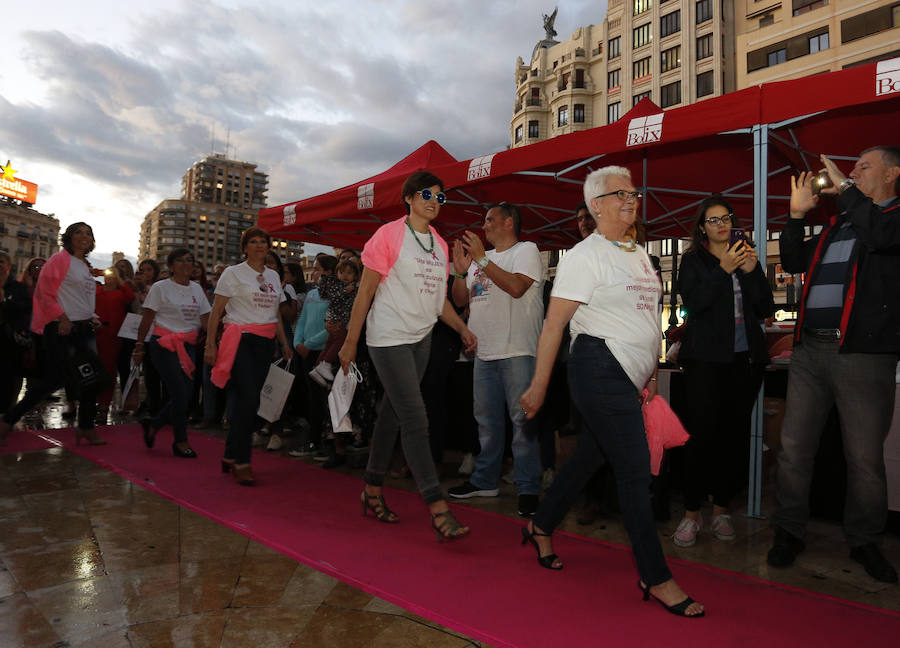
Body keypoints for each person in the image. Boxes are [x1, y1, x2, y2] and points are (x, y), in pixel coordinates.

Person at [519, 166, 704, 618]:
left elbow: (643, 318)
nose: (632, 199)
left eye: (634, 192)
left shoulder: (639, 254)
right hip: (597, 368)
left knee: (589, 459)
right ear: (596, 205)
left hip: (629, 374)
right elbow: (554, 324)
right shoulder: (586, 255)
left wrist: (650, 372)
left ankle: (541, 524)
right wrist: (539, 385)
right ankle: (655, 576)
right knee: (635, 472)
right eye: (620, 194)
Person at [767, 148, 900, 584]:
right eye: (854, 167)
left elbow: (879, 237)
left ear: (893, 174)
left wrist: (844, 190)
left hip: (862, 354)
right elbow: (791, 262)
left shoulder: (888, 217)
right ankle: (788, 532)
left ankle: (864, 540)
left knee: (863, 458)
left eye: (864, 166)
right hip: (809, 352)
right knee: (793, 449)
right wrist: (793, 217)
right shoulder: (839, 222)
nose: (853, 172)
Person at [339, 170, 477, 541]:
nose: (434, 202)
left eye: (440, 197)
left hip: (422, 338)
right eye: (427, 195)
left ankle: (371, 488)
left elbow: (438, 303)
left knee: (393, 414)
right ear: (410, 199)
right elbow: (365, 293)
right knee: (415, 416)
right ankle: (437, 506)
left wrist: (463, 328)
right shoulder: (389, 235)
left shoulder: (438, 244)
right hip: (387, 338)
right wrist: (350, 341)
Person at [673, 196, 774, 547]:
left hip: (744, 362)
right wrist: (724, 269)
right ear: (702, 227)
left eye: (726, 218)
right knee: (701, 436)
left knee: (733, 439)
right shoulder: (692, 261)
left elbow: (765, 306)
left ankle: (721, 510)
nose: (721, 225)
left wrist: (754, 272)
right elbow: (695, 303)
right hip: (705, 362)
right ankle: (690, 513)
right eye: (713, 220)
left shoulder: (745, 256)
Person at [448, 202, 545, 517]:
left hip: (517, 350)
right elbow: (461, 298)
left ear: (508, 222)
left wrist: (481, 258)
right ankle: (485, 480)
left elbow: (516, 287)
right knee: (487, 424)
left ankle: (528, 487)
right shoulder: (479, 261)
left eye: (490, 219)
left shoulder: (526, 250)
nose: (484, 225)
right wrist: (461, 270)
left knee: (523, 424)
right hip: (484, 352)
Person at [0, 222, 108, 446]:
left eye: (88, 233)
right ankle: (8, 419)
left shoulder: (83, 265)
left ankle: (86, 427)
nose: (84, 236)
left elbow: (79, 298)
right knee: (55, 379)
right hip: (62, 327)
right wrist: (63, 318)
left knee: (93, 379)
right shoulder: (60, 259)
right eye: (78, 232)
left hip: (83, 327)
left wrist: (92, 316)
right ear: (68, 237)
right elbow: (43, 292)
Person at [205, 227, 293, 485]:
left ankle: (230, 454)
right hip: (240, 340)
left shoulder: (274, 276)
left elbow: (275, 313)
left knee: (249, 401)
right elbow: (216, 311)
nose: (259, 246)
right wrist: (210, 344)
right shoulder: (233, 273)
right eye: (253, 242)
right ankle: (242, 460)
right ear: (244, 247)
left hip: (265, 343)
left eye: (263, 242)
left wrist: (284, 342)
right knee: (249, 398)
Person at [133, 248, 210, 458]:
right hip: (163, 344)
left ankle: (154, 423)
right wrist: (139, 346)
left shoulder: (197, 289)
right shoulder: (160, 287)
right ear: (171, 266)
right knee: (179, 392)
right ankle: (180, 441)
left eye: (190, 260)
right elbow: (146, 319)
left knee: (186, 394)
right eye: (181, 260)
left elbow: (206, 321)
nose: (187, 264)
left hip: (188, 346)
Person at [289, 255, 334, 457]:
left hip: (324, 352)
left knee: (323, 400)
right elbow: (303, 319)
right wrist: (297, 342)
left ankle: (325, 442)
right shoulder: (311, 294)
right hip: (306, 351)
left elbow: (333, 327)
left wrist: (308, 343)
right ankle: (313, 440)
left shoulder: (338, 294)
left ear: (329, 272)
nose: (314, 273)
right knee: (311, 398)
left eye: (317, 269)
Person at [94, 266, 136, 421]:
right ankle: (93, 403)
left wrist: (118, 276)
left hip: (113, 336)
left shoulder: (121, 293)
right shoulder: (97, 289)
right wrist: (96, 272)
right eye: (107, 275)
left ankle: (104, 405)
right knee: (94, 371)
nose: (108, 277)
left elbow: (130, 296)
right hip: (96, 333)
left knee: (109, 370)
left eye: (112, 275)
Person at [309, 258, 360, 386]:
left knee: (330, 343)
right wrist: (345, 291)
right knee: (338, 341)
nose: (345, 276)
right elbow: (332, 297)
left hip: (338, 320)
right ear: (336, 273)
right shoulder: (338, 286)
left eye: (349, 273)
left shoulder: (354, 287)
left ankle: (318, 367)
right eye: (342, 272)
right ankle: (325, 363)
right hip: (337, 320)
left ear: (355, 275)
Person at [0, 252, 32, 416]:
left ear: (9, 265)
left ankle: (6, 411)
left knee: (8, 375)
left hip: (9, 337)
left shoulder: (17, 287)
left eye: (2, 261)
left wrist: (5, 301)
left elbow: (26, 307)